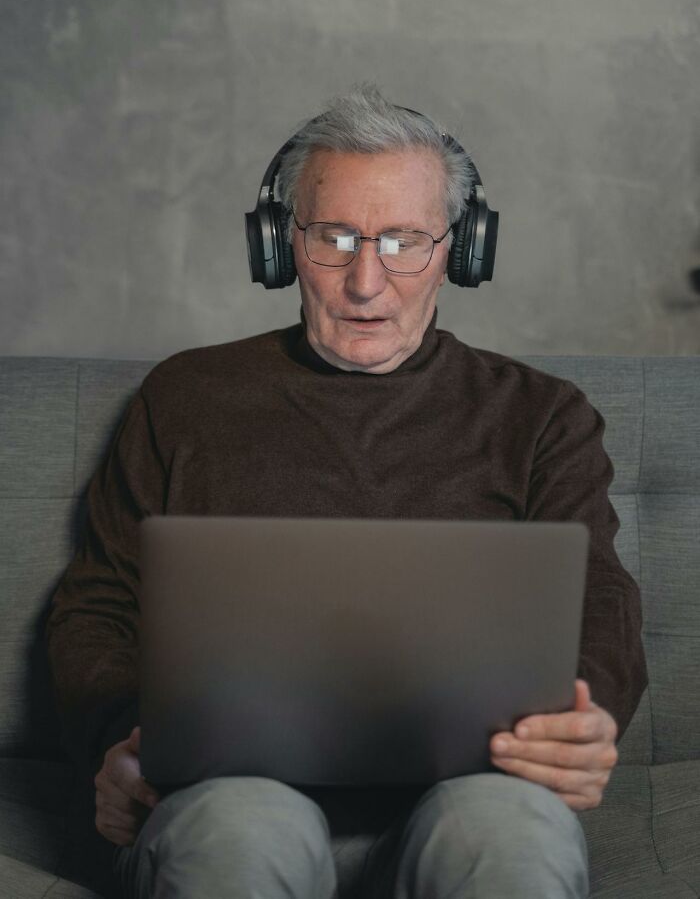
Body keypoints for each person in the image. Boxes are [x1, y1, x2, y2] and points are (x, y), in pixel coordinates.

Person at [46, 84, 647, 899]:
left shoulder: (542, 417)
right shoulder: (184, 398)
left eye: (404, 240)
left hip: (469, 802)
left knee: (507, 836)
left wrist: (590, 717)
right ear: (279, 244)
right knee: (241, 833)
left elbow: (599, 601)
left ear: (460, 251)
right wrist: (119, 740)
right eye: (334, 237)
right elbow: (97, 607)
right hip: (228, 799)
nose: (367, 281)